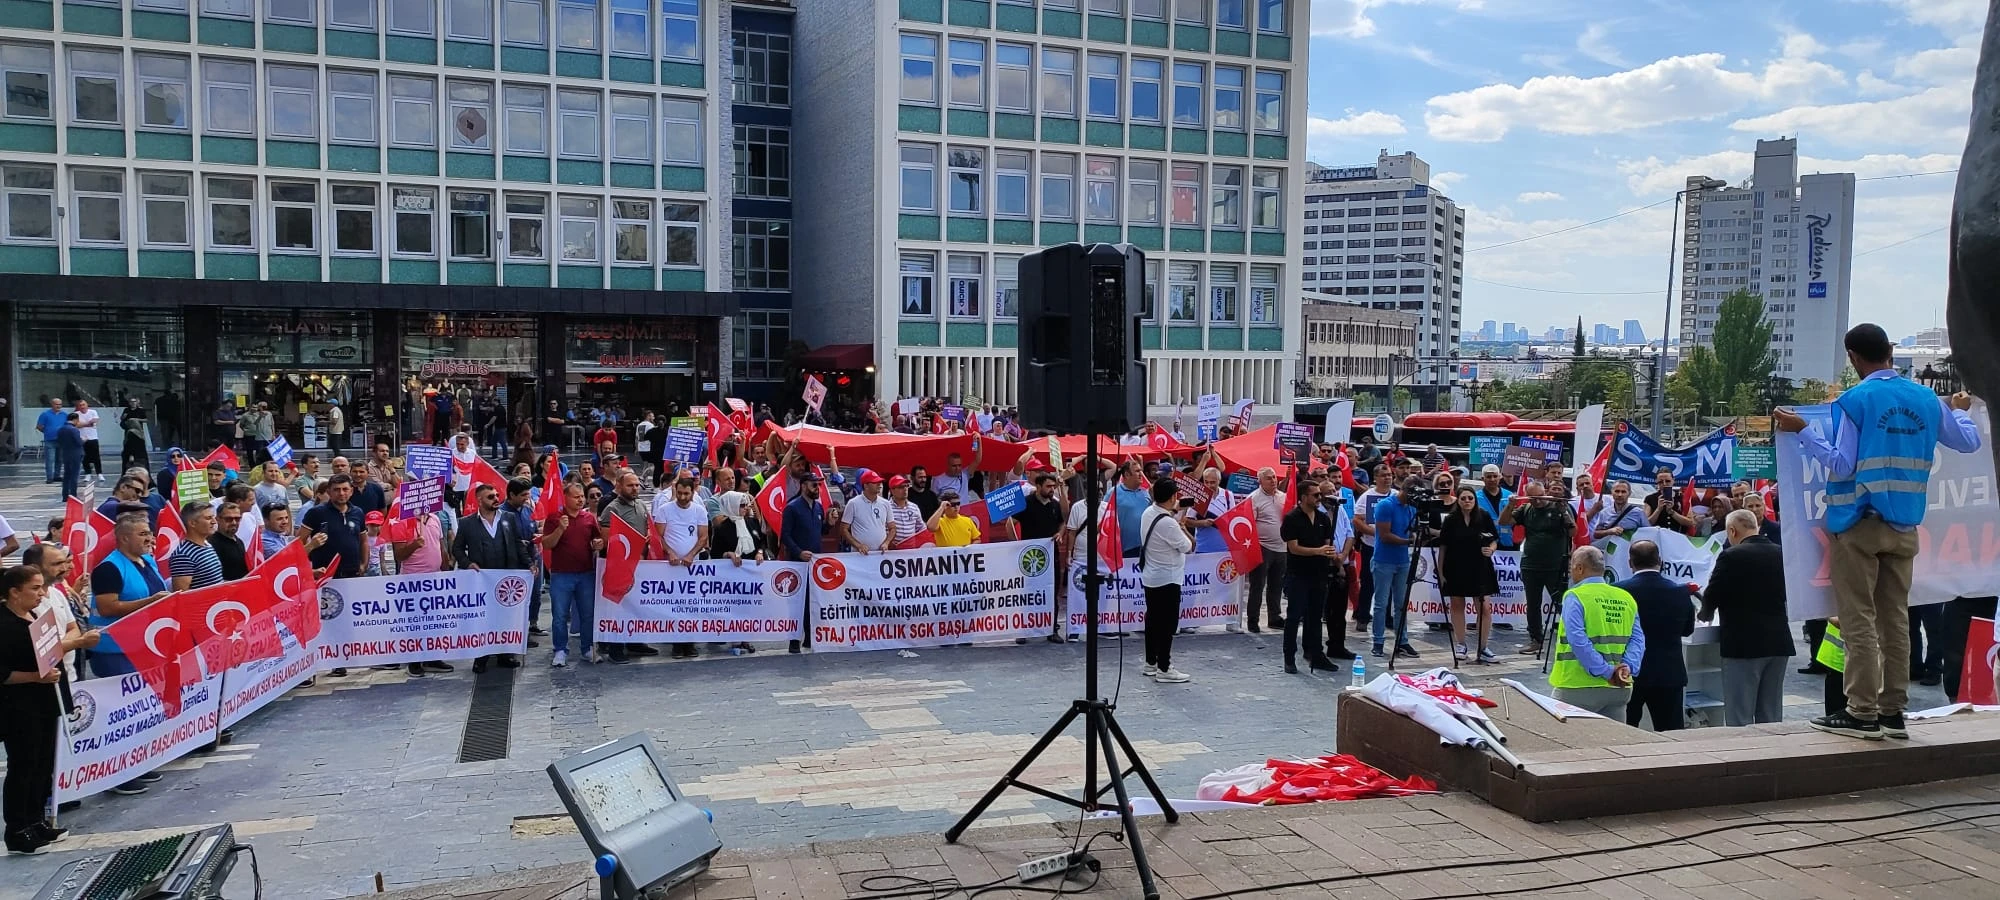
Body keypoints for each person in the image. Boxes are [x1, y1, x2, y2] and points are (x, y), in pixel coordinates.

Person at [1775, 323, 1980, 740]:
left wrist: (1803, 431)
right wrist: (1959, 409)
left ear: (1853, 357)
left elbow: (1842, 465)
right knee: (1896, 621)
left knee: (1858, 621)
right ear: (1890, 350)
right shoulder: (1926, 399)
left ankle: (1861, 712)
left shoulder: (1856, 401)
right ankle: (1893, 712)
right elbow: (1969, 443)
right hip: (1905, 525)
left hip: (1858, 522)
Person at [1697, 509, 1794, 726]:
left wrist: (1705, 613)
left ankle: (1744, 758)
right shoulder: (1781, 553)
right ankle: (1771, 756)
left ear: (1732, 530)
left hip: (1743, 645)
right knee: (1771, 714)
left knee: (1739, 714)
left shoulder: (1731, 556)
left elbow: (1713, 592)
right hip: (1779, 642)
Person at [1, 565, 69, 854]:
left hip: (43, 703)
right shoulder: (3, 625)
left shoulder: (32, 616)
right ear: (14, 592)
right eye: (35, 588)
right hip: (18, 707)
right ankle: (17, 828)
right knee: (23, 766)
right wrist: (34, 677)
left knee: (43, 763)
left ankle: (36, 820)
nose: (42, 594)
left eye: (42, 587)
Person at [1549, 546, 1644, 719]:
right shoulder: (1626, 597)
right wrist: (1627, 668)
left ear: (1580, 568)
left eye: (1571, 568)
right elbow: (1637, 639)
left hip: (1577, 686)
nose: (1570, 573)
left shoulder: (1575, 596)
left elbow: (1577, 640)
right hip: (1619, 687)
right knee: (1613, 742)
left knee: (1566, 741)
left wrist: (1607, 671)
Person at [1616, 540, 1695, 731]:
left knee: (1626, 732)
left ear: (1630, 563)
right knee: (1671, 735)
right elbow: (1687, 630)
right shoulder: (1679, 591)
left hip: (1630, 671)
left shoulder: (1619, 591)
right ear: (1660, 561)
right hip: (1668, 672)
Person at [454, 483, 529, 672]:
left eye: (497, 495)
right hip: (482, 580)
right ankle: (481, 657)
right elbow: (456, 548)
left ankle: (505, 654)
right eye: (490, 497)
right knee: (483, 619)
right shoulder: (466, 523)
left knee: (505, 616)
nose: (496, 499)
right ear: (479, 500)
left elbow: (518, 543)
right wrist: (467, 563)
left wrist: (529, 563)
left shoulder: (508, 518)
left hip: (505, 578)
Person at [1280, 477, 1351, 674]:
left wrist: (1335, 559)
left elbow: (1327, 544)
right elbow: (1294, 548)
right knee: (1294, 616)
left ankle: (1316, 654)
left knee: (1315, 616)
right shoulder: (1292, 518)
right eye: (1316, 495)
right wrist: (1318, 551)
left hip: (1319, 574)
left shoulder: (1322, 519)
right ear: (1304, 497)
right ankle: (1289, 656)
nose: (1320, 498)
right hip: (1298, 574)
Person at [1502, 480, 1573, 657]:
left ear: (1546, 492)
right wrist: (1510, 505)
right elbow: (1504, 522)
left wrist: (1564, 512)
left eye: (1540, 497)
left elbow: (1573, 532)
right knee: (1533, 604)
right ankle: (1536, 639)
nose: (1538, 501)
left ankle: (1574, 638)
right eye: (1533, 498)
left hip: (1555, 565)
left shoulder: (1559, 507)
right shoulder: (1526, 509)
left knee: (1562, 603)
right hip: (1530, 564)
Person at [1137, 477, 1195, 683]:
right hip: (1168, 578)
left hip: (1151, 576)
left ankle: (1150, 662)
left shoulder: (1148, 513)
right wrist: (1182, 525)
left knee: (1152, 621)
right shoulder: (1169, 524)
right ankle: (1164, 667)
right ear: (1173, 497)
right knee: (1167, 624)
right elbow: (1187, 546)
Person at [541, 483, 601, 668]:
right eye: (576, 497)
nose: (580, 499)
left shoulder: (589, 518)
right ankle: (560, 649)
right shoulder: (554, 518)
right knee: (559, 615)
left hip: (585, 574)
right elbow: (547, 544)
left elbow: (595, 540)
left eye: (582, 496)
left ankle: (587, 648)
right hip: (561, 575)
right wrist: (560, 529)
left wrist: (597, 544)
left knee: (588, 614)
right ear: (565, 499)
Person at [1437, 487, 1501, 663]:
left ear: (1475, 499)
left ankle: (1483, 647)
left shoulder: (1484, 516)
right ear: (1458, 500)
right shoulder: (1451, 520)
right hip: (1455, 566)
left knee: (1484, 608)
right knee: (1457, 604)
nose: (1467, 501)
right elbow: (1443, 546)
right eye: (1463, 498)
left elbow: (1494, 539)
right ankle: (1461, 644)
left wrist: (1491, 549)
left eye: (1470, 498)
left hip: (1480, 567)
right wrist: (1441, 572)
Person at [650, 475, 706, 659]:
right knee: (675, 606)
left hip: (692, 565)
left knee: (691, 605)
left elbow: (703, 537)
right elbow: (658, 536)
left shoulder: (699, 510)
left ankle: (690, 643)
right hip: (671, 565)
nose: (682, 497)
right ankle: (676, 643)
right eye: (680, 493)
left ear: (692, 492)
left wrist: (691, 554)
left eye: (686, 494)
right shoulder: (665, 509)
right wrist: (670, 552)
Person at [1369, 477, 1421, 659]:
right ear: (1404, 490)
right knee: (1381, 604)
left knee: (1401, 603)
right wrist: (1409, 541)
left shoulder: (1412, 507)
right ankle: (1378, 640)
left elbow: (1412, 528)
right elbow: (1385, 535)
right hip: (1384, 559)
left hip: (1402, 561)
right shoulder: (1386, 505)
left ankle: (1402, 640)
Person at [781, 470, 827, 653]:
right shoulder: (792, 508)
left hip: (814, 562)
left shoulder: (818, 508)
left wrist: (829, 524)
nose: (817, 488)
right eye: (814, 485)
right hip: (797, 563)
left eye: (819, 485)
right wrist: (798, 552)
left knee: (812, 601)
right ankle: (794, 640)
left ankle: (809, 637)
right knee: (796, 603)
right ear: (803, 486)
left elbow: (819, 531)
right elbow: (785, 535)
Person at [1245, 467, 1290, 633]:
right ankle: (1253, 620)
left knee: (1276, 585)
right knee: (1257, 585)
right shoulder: (1253, 499)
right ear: (1260, 481)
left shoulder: (1283, 497)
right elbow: (1249, 525)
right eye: (1269, 478)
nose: (1273, 481)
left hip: (1282, 547)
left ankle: (1274, 617)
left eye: (1274, 477)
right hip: (1262, 547)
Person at [168, 503, 226, 591]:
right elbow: (181, 595)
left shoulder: (207, 545)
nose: (214, 522)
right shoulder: (183, 555)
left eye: (213, 517)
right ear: (192, 523)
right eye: (208, 518)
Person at [1472, 465, 1515, 552]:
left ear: (1500, 477)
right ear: (1483, 478)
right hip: (1486, 543)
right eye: (1489, 477)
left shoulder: (1510, 496)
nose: (1492, 479)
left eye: (1495, 476)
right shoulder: (1475, 497)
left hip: (1507, 542)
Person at [1644, 469, 1693, 534]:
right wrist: (1658, 509)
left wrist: (1671, 512)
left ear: (1673, 481)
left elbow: (1690, 523)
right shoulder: (1650, 498)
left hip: (1677, 535)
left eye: (1667, 481)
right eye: (1660, 482)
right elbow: (1646, 523)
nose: (1664, 484)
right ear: (1657, 482)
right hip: (1657, 534)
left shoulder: (1682, 498)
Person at [54, 413, 83, 501]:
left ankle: (65, 495)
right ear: (75, 419)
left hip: (65, 453)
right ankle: (73, 495)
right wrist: (83, 440)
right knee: (74, 475)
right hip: (75, 454)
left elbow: (58, 441)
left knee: (66, 475)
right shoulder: (74, 430)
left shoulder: (60, 429)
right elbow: (79, 442)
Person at [36, 398, 65, 484]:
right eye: (56, 404)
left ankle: (57, 475)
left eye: (60, 404)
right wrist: (47, 432)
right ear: (52, 404)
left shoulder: (64, 415)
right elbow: (39, 426)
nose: (58, 406)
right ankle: (49, 477)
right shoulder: (45, 414)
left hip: (61, 440)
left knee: (59, 459)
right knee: (50, 459)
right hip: (50, 440)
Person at [74, 399, 102, 483]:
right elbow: (76, 424)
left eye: (83, 405)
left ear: (87, 405)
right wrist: (87, 424)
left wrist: (83, 424)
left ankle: (99, 473)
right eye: (80, 405)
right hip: (82, 438)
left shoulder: (93, 412)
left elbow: (95, 421)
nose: (82, 407)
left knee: (96, 456)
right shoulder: (76, 414)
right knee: (85, 457)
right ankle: (88, 473)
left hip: (93, 437)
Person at [119, 397, 149, 473]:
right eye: (131, 402)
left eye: (134, 401)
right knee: (128, 448)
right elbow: (122, 419)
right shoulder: (127, 410)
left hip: (138, 432)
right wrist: (124, 417)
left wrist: (136, 420)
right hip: (129, 432)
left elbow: (146, 419)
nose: (133, 403)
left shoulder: (140, 410)